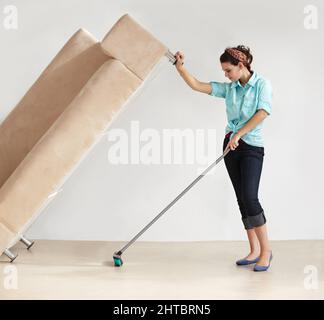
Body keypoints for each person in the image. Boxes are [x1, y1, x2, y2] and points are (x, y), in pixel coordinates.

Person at [174, 45, 273, 272]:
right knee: (241, 198)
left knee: (250, 197)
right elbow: (197, 85)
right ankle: (254, 250)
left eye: (228, 70)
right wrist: (180, 69)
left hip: (251, 147)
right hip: (230, 146)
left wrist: (239, 133)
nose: (226, 75)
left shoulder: (262, 85)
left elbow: (263, 112)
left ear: (241, 65)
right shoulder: (230, 89)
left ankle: (266, 251)